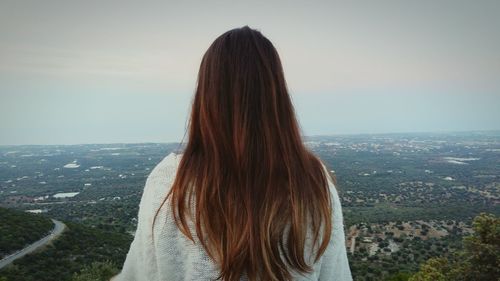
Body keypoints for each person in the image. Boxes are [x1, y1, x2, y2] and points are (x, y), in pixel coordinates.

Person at [112, 26, 352, 281]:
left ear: (206, 95)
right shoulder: (313, 181)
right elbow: (335, 275)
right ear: (276, 95)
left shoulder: (169, 180)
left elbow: (141, 272)